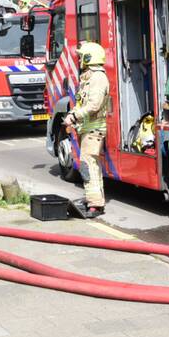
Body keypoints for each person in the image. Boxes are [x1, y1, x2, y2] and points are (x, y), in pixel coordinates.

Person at [64, 41, 109, 219]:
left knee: (87, 166)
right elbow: (83, 103)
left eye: (82, 56)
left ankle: (95, 205)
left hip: (93, 129)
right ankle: (95, 201)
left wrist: (74, 117)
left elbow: (94, 105)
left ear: (88, 58)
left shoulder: (97, 78)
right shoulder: (89, 77)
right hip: (88, 129)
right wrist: (71, 114)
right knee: (92, 166)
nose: (80, 59)